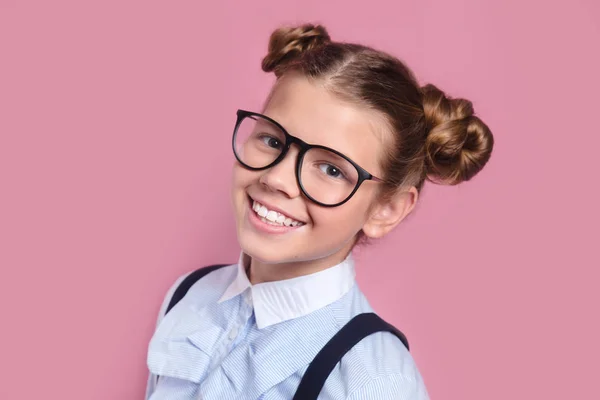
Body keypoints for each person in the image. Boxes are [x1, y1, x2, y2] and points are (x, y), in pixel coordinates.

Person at [145, 23, 494, 400]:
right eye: (272, 139)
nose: (277, 178)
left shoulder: (374, 383)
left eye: (331, 169)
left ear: (386, 210)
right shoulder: (188, 294)